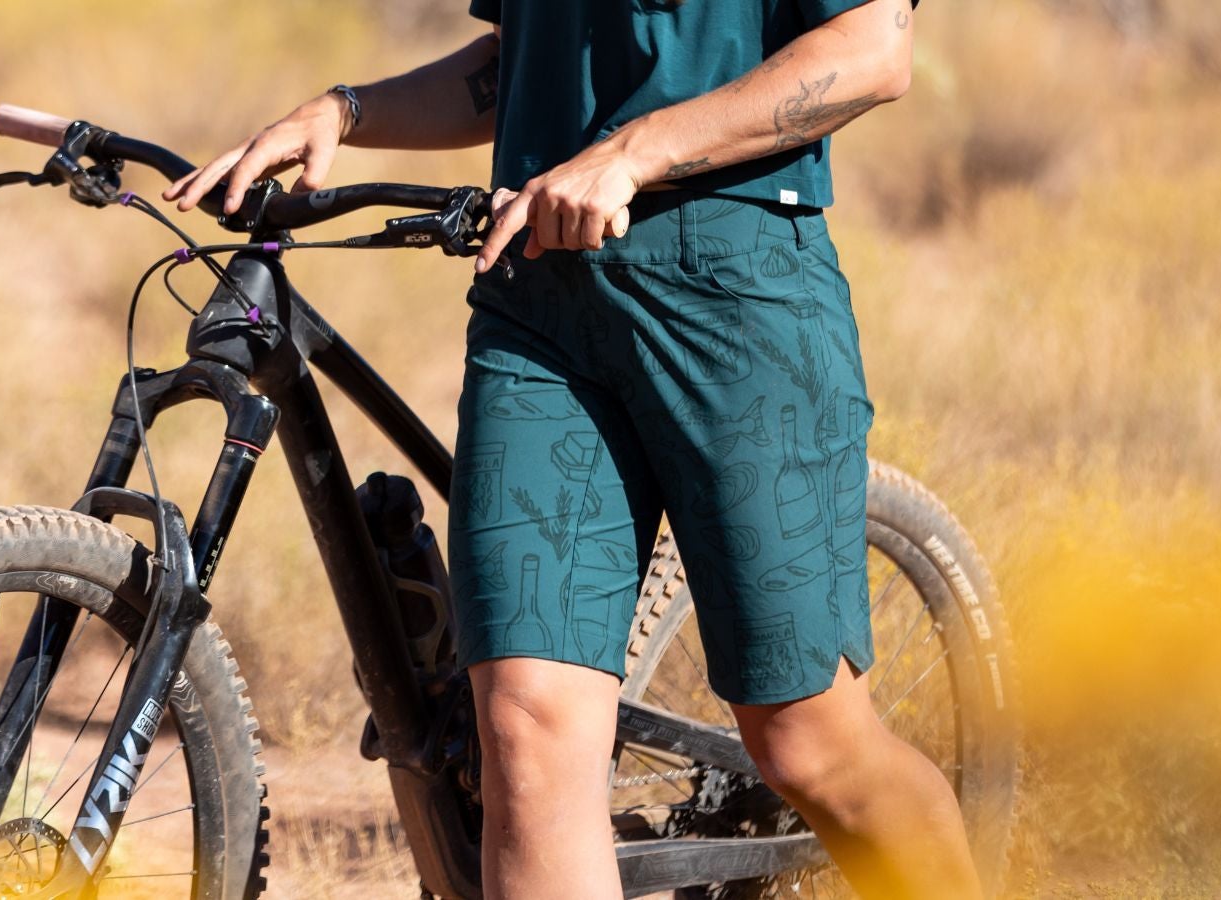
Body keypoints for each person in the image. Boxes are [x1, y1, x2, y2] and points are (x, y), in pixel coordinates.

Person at [164, 0, 977, 896]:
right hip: (540, 308)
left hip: (737, 299)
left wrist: (632, 153)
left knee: (805, 743)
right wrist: (346, 111)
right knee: (525, 734)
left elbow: (872, 52)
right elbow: (519, 63)